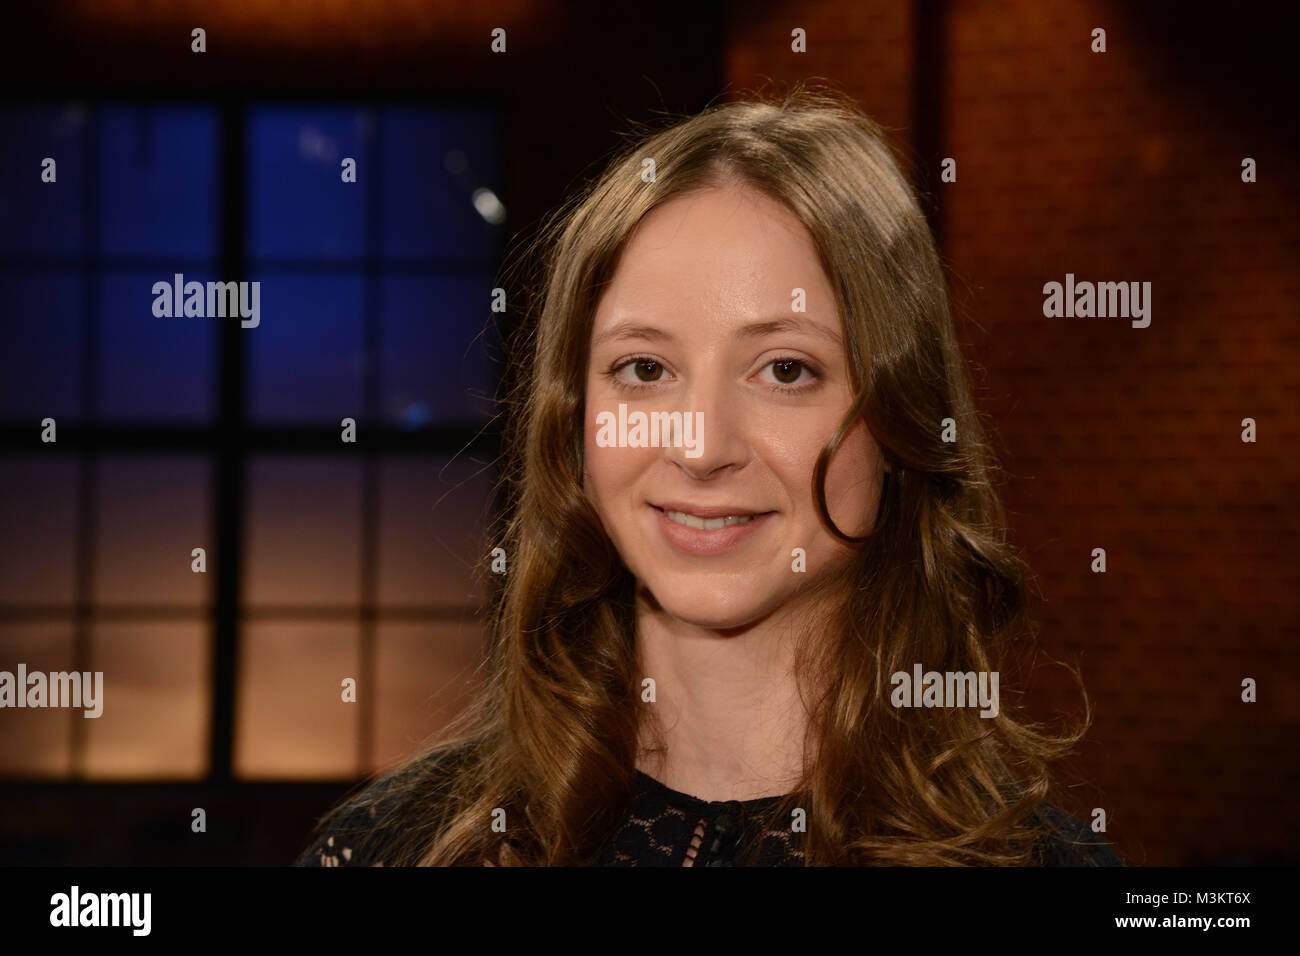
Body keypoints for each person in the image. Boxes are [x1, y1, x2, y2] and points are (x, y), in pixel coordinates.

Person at [295, 84, 1123, 867]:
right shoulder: (394, 847)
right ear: (574, 421)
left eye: (786, 370)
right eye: (646, 368)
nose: (701, 446)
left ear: (900, 419)